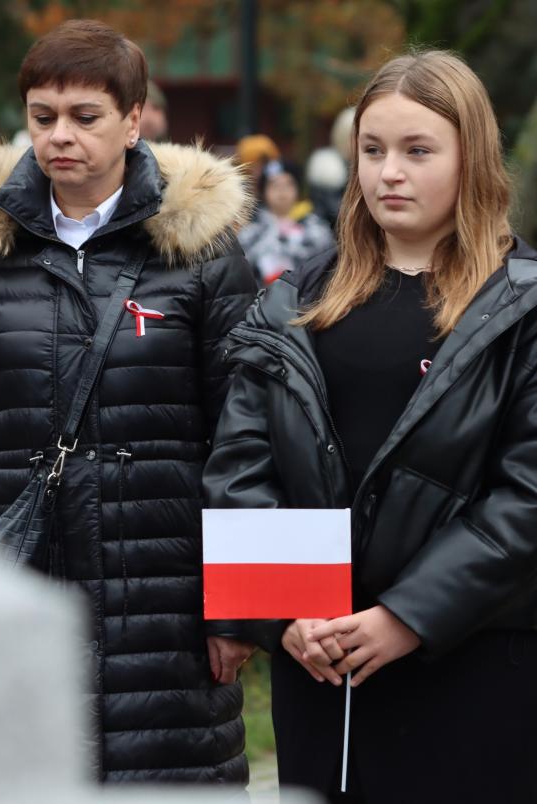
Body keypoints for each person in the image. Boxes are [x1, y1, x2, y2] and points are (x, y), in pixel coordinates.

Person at [204, 50, 537, 804]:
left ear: (472, 158)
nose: (390, 171)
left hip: (473, 655)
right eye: (373, 149)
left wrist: (405, 617)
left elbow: (526, 494)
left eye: (418, 151)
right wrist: (284, 613)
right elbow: (239, 468)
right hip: (319, 663)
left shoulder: (522, 309)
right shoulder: (294, 300)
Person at [0, 19, 257, 786]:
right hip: (24, 579)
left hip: (166, 593)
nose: (59, 137)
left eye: (84, 117)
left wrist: (238, 609)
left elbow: (246, 438)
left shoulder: (203, 253)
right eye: (42, 116)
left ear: (135, 117)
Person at [238, 159, 334, 285]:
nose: (282, 191)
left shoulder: (315, 227)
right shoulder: (250, 229)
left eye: (288, 184)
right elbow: (243, 266)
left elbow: (326, 263)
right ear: (264, 190)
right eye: (275, 185)